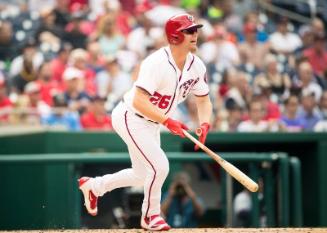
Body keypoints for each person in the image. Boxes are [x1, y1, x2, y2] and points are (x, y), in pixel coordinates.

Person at [78, 13, 213, 231]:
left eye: (196, 29)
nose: (195, 34)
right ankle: (150, 216)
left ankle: (94, 186)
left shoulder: (197, 66)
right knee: (160, 166)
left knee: (142, 174)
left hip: (151, 122)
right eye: (189, 30)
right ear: (175, 36)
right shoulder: (156, 62)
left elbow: (204, 100)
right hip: (130, 116)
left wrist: (205, 123)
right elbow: (140, 101)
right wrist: (168, 121)